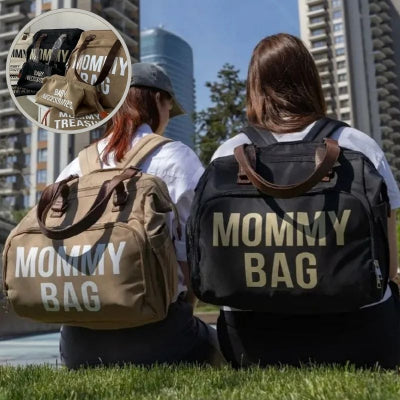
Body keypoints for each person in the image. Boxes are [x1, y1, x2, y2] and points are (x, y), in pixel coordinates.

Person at [212, 33, 400, 368]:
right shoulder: (358, 145)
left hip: (251, 342)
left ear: (254, 86)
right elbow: (390, 262)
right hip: (362, 335)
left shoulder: (229, 153)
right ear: (310, 81)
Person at [57, 62, 222, 368]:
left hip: (76, 344)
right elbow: (196, 257)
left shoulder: (77, 166)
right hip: (160, 336)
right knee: (225, 347)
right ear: (158, 100)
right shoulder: (176, 157)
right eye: (169, 107)